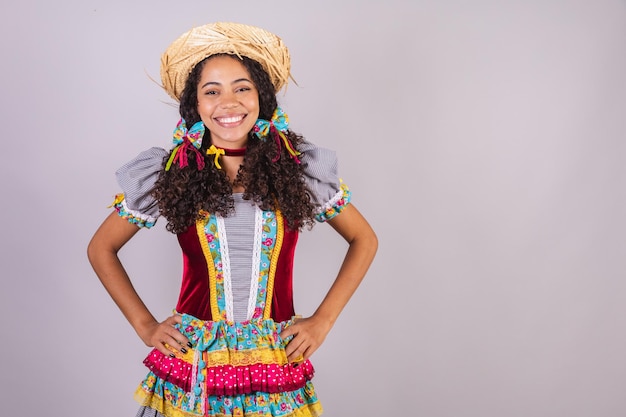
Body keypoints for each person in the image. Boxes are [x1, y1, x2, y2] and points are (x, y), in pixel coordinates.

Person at [87, 22, 377, 417]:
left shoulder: (296, 168)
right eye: (212, 91)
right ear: (196, 105)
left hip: (273, 363)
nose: (229, 102)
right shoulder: (172, 170)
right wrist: (146, 326)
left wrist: (323, 321)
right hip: (194, 364)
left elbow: (364, 239)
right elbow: (101, 248)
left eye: (242, 87)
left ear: (262, 97)